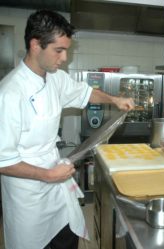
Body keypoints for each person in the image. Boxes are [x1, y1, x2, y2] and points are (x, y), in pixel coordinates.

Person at [0, 9, 135, 249]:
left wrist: (114, 99)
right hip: (27, 196)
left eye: (66, 50)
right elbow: (4, 161)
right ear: (35, 45)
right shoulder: (10, 93)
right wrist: (47, 175)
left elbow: (86, 93)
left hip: (56, 184)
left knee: (66, 238)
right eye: (58, 50)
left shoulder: (55, 78)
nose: (64, 58)